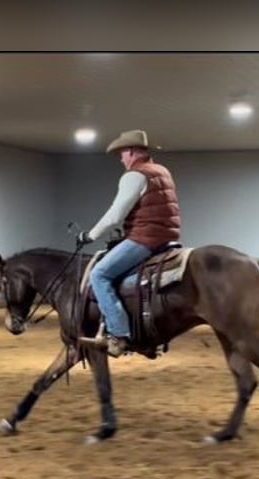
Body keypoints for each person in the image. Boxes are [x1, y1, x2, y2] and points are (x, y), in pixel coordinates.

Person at [76, 129, 181, 357]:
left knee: (99, 274)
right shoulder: (161, 170)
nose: (121, 159)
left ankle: (119, 334)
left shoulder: (135, 175)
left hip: (145, 238)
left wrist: (90, 235)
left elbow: (115, 215)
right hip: (167, 237)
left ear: (131, 151)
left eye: (121, 154)